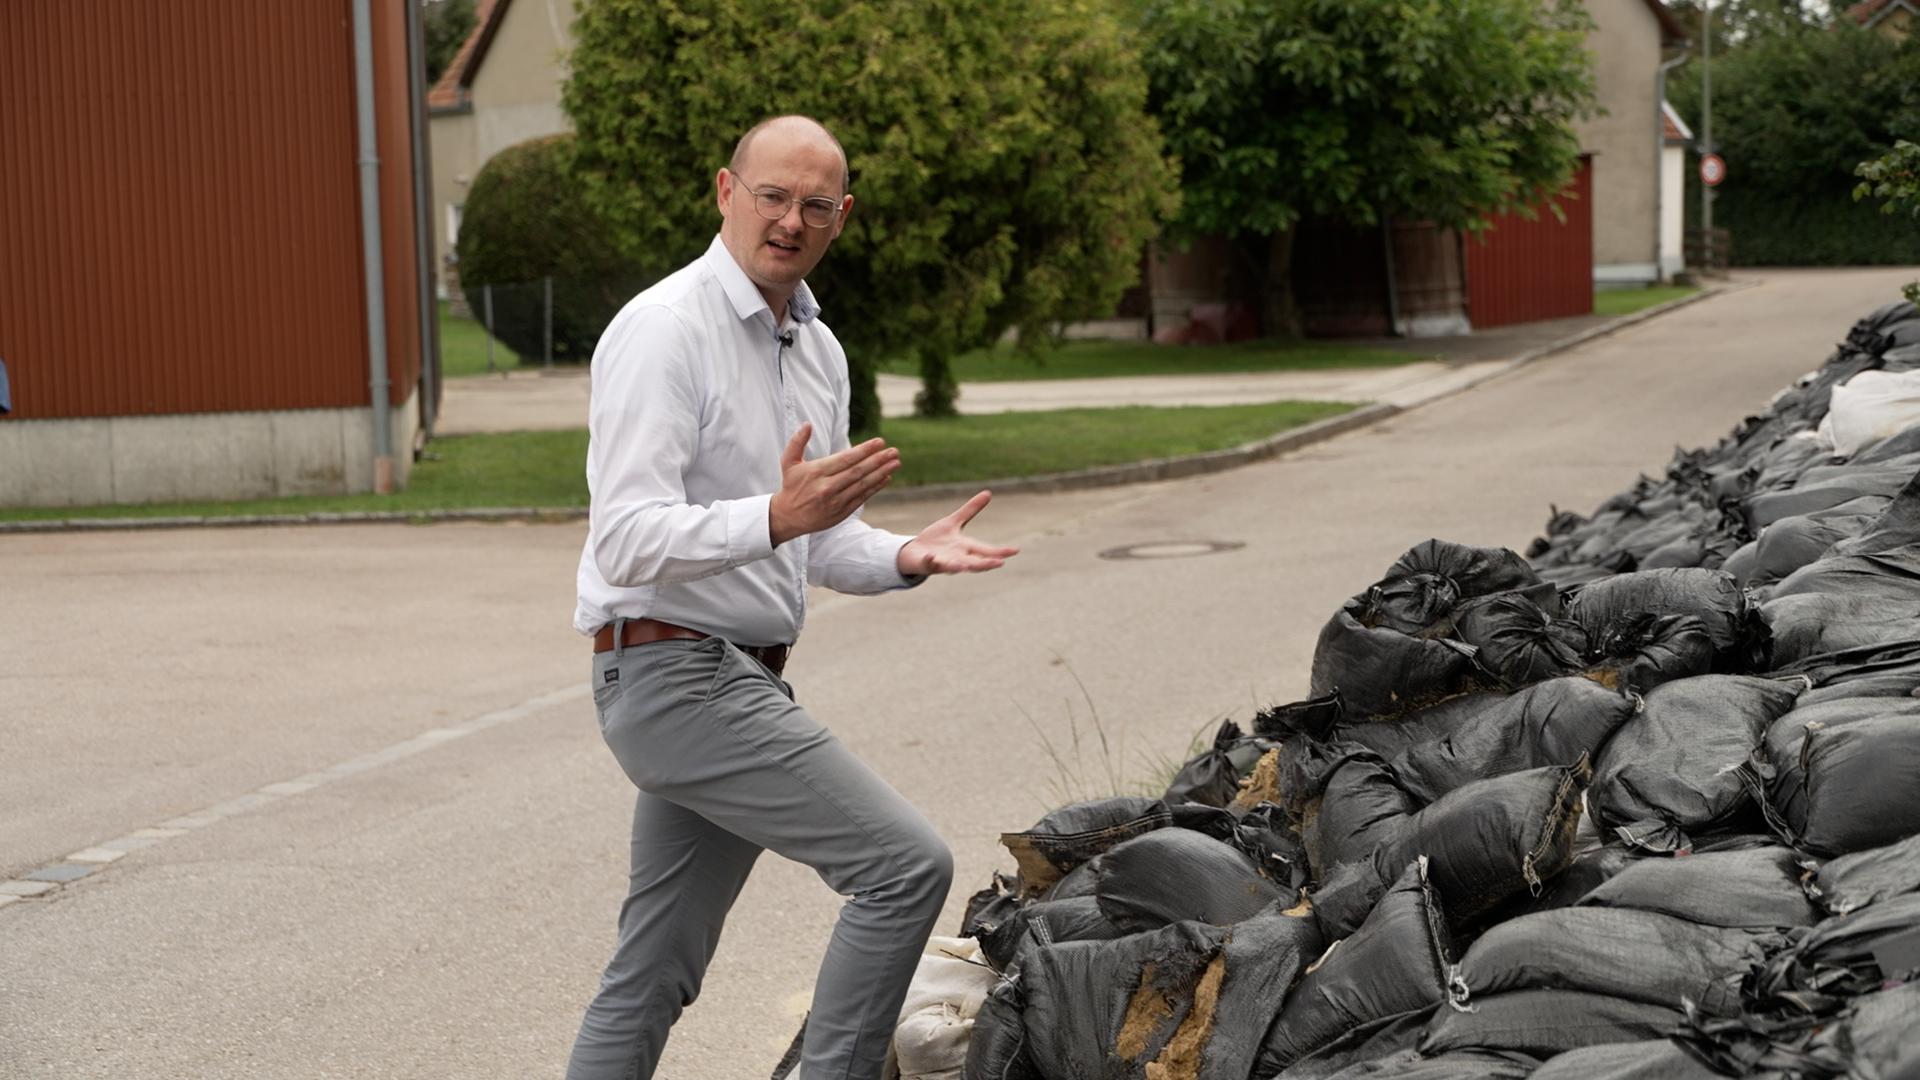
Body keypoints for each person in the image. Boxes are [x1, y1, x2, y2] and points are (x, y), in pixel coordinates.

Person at [566, 115, 1018, 1080]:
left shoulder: (817, 349)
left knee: (653, 968)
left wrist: (905, 556)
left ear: (841, 216)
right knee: (904, 867)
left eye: (816, 205)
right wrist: (774, 514)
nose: (791, 220)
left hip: (740, 679)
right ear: (725, 193)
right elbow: (627, 536)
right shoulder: (663, 331)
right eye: (772, 196)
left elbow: (816, 541)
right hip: (669, 671)